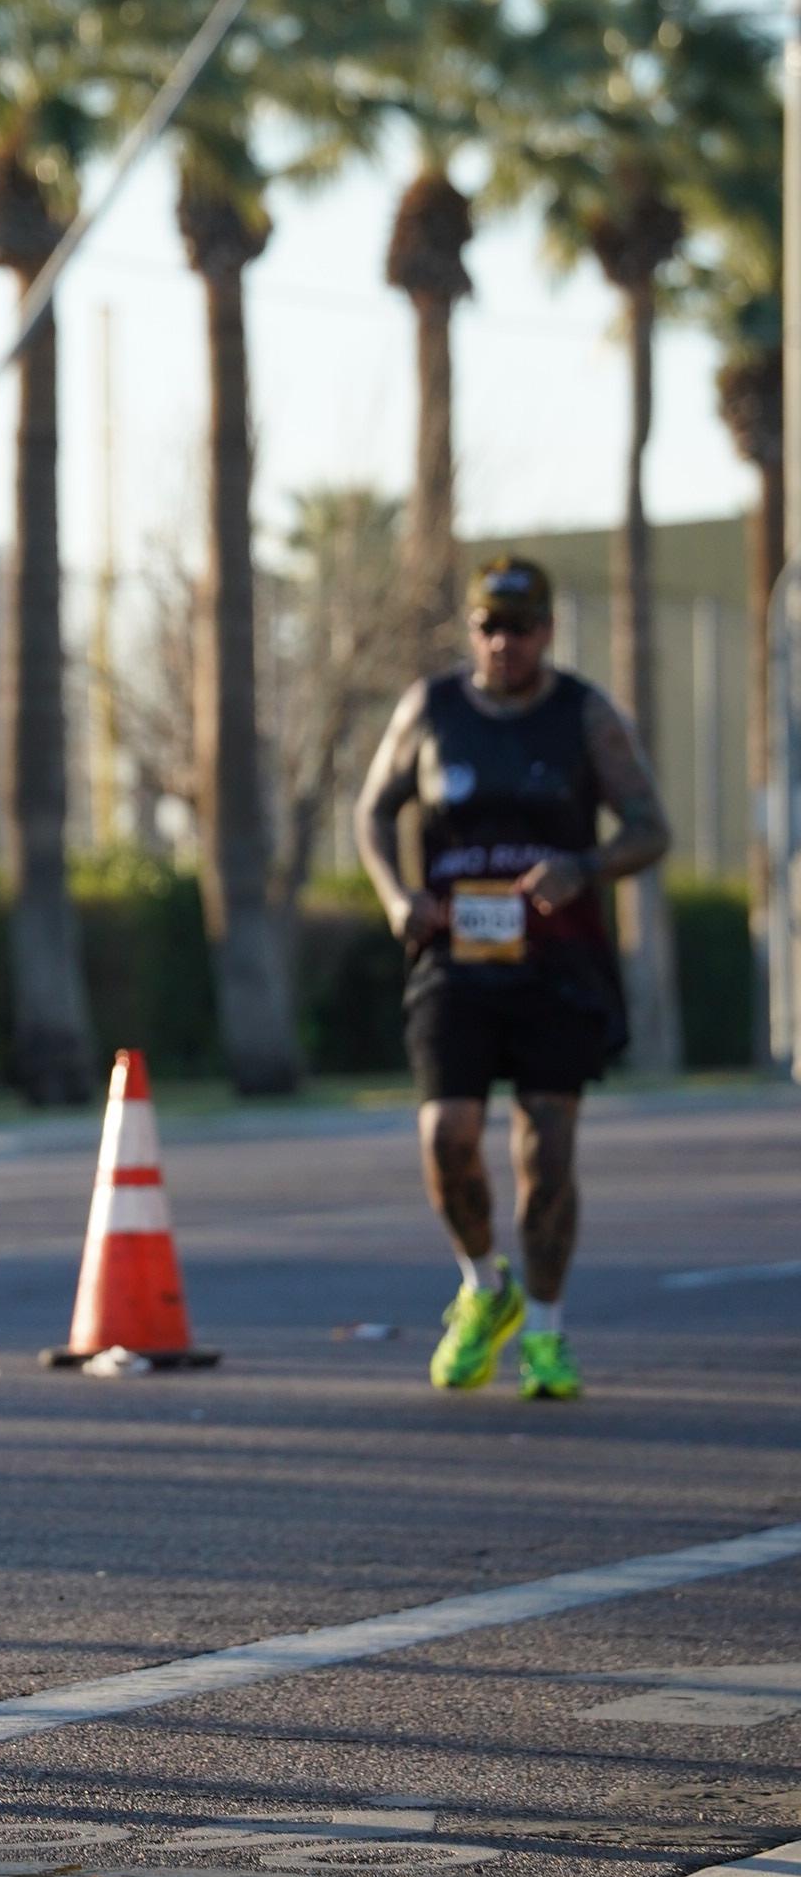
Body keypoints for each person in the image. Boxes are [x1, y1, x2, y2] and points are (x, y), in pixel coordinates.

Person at [355, 556, 671, 1401]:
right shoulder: (431, 710)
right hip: (454, 957)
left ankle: (547, 1333)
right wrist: (397, 897)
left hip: (557, 962)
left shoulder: (584, 715)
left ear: (548, 631)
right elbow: (373, 810)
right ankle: (484, 1288)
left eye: (521, 628)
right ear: (471, 631)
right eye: (489, 628)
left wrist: (585, 866)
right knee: (446, 1133)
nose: (505, 644)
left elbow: (650, 827)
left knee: (547, 1147)